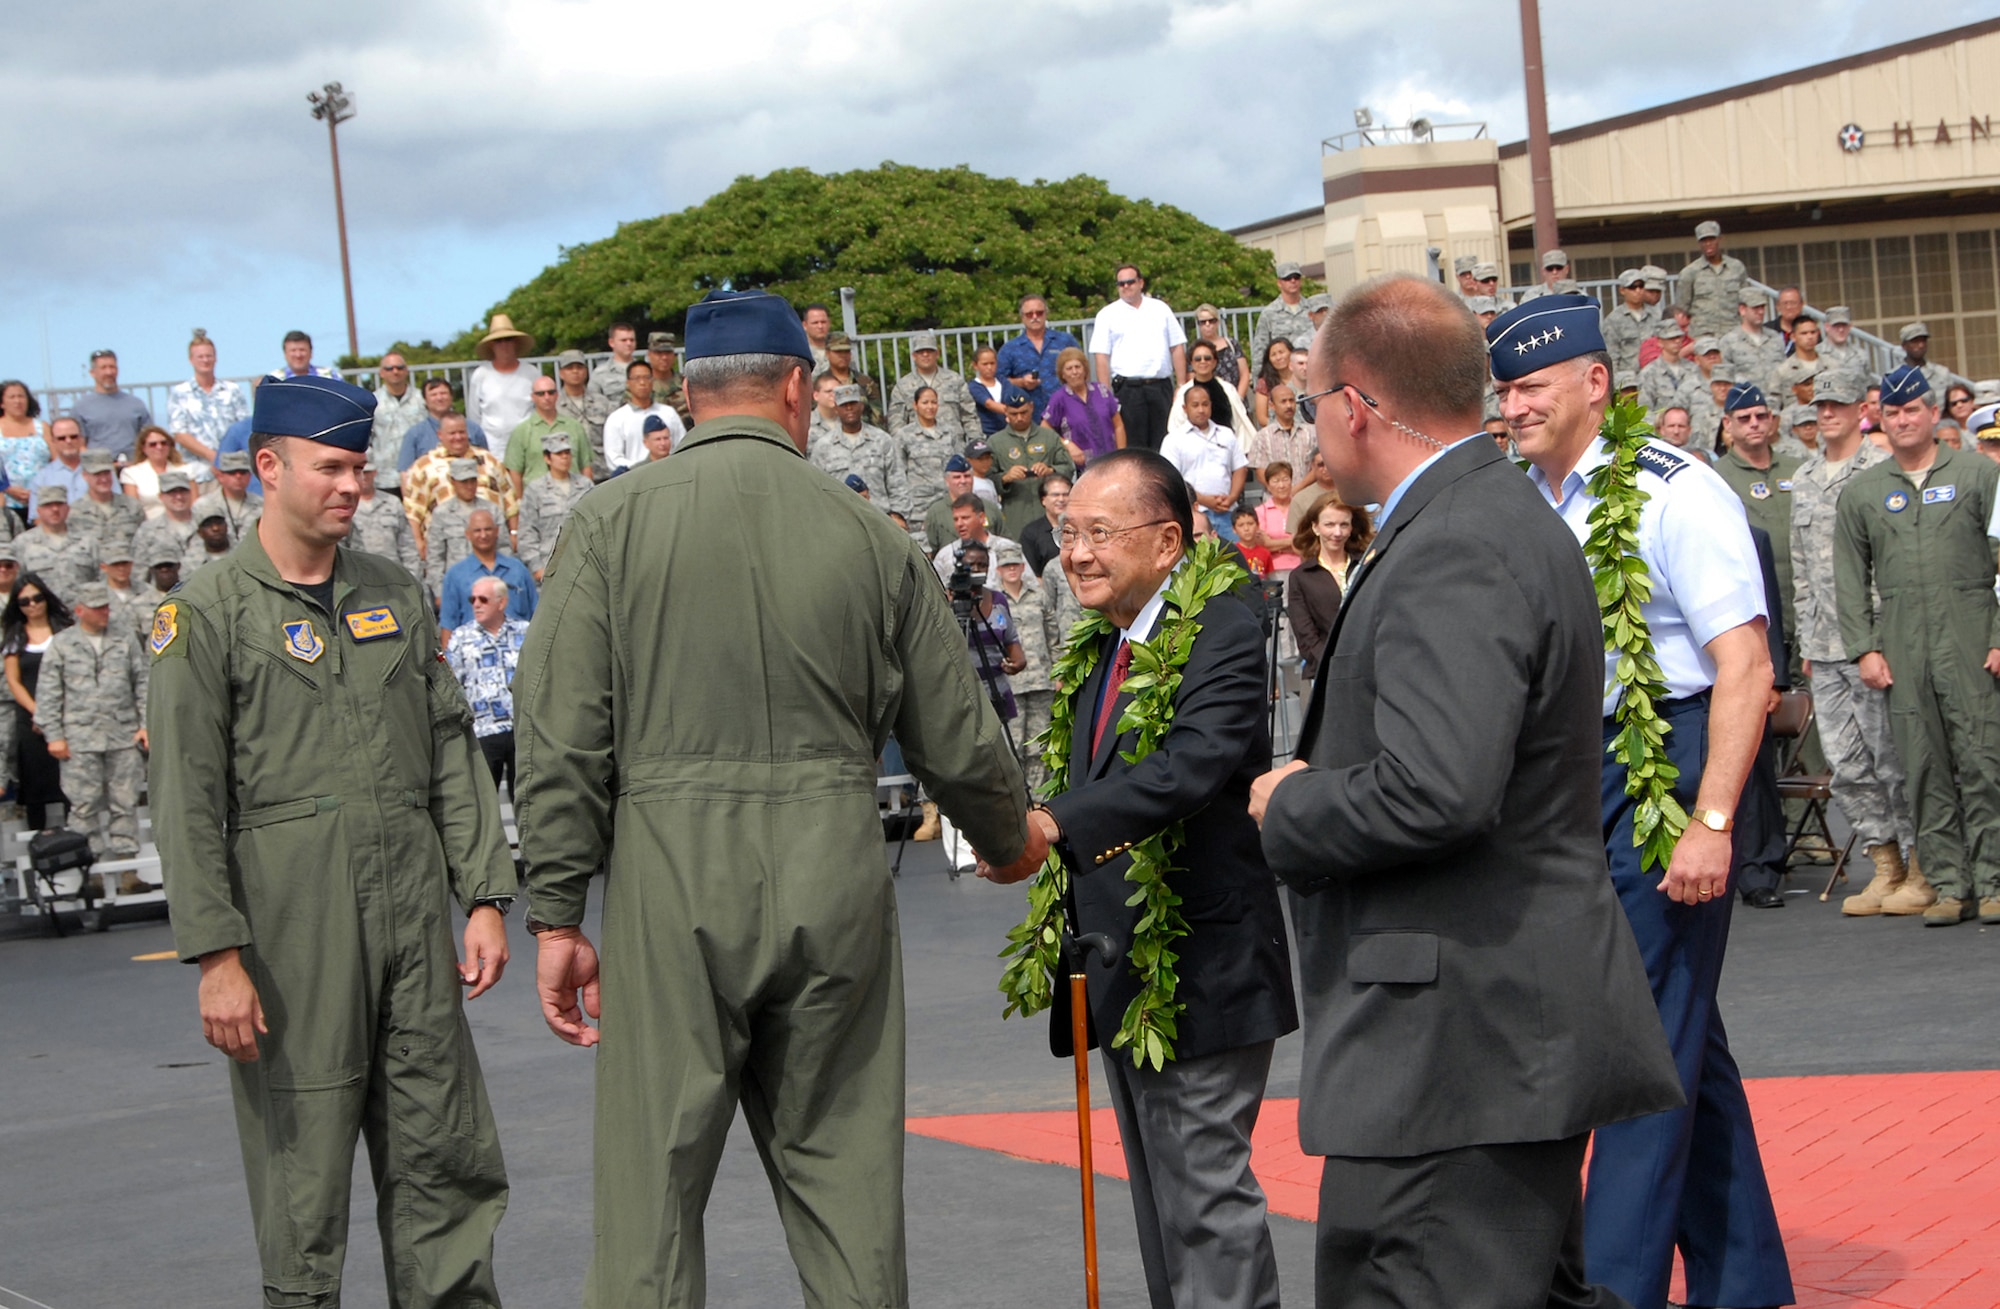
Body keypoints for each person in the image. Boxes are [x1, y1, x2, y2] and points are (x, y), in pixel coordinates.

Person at [513, 289, 1037, 1306]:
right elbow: (957, 724)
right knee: (845, 1194)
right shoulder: (868, 532)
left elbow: (561, 731)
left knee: (649, 1206)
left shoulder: (609, 522)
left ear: (684, 395)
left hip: (671, 874)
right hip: (831, 866)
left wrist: (556, 911)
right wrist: (1007, 834)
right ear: (798, 387)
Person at [1251, 274, 1683, 1309]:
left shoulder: (1453, 541)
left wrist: (1289, 805)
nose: (1312, 430)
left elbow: (1437, 790)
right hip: (1482, 1034)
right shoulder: (1482, 514)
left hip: (1455, 1045)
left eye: (1311, 404)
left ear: (1354, 404)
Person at [149, 372, 513, 1307]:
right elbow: (185, 799)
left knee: (445, 1159)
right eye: (331, 468)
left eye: (359, 467)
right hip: (292, 936)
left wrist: (481, 896)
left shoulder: (394, 590)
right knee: (303, 1183)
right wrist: (217, 956)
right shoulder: (207, 615)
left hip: (413, 933)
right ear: (268, 468)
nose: (353, 485)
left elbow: (448, 751)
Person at [1494, 293, 1793, 1309]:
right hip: (1579, 773)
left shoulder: (1675, 492)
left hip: (1667, 763)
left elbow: (1743, 667)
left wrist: (1710, 821)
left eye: (1529, 385)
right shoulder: (1528, 497)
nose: (1512, 404)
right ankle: (1742, 1280)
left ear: (1592, 382)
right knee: (1675, 1034)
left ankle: (1611, 1288)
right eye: (1502, 388)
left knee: (1634, 1048)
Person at [982, 446, 1297, 1309]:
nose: (1076, 551)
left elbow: (1194, 765)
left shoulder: (1223, 623)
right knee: (1167, 1203)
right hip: (1124, 965)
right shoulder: (1107, 641)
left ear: (1167, 542)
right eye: (1067, 531)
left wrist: (1052, 825)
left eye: (1098, 533)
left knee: (1205, 1201)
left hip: (1201, 965)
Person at [1836, 365, 2000, 926]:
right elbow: (1849, 576)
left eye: (1913, 410)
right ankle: (1951, 886)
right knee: (1923, 769)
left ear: (1934, 414)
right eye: (1892, 413)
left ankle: (1994, 880)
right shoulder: (1863, 492)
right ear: (1880, 420)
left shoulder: (1982, 475)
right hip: (1903, 644)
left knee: (1983, 761)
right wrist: (1864, 648)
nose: (1903, 420)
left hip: (1972, 634)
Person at [1789, 372, 1916, 914]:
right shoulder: (1807, 476)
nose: (1826, 413)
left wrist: (1882, 639)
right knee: (1847, 764)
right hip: (1825, 643)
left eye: (1837, 404)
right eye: (1820, 405)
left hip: (1872, 638)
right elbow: (1800, 569)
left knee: (1892, 758)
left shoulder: (1880, 471)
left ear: (1859, 410)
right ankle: (1883, 862)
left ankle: (1920, 863)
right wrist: (1805, 641)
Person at [33, 580, 148, 871]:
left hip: (122, 735)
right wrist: (54, 736)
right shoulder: (62, 644)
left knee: (125, 802)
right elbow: (48, 693)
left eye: (106, 606)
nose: (104, 613)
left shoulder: (124, 639)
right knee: (84, 806)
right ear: (80, 611)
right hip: (79, 739)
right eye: (97, 608)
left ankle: (127, 870)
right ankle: (88, 870)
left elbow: (144, 683)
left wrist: (146, 724)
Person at [1712, 382, 1800, 672]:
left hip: (1805, 611)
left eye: (1761, 416)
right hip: (1756, 616)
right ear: (1728, 423)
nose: (1754, 424)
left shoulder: (1798, 469)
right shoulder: (1715, 477)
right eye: (1744, 418)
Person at [445, 575, 530, 795]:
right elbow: (452, 685)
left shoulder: (525, 632)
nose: (476, 605)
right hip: (483, 731)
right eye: (472, 599)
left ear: (501, 602)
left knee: (526, 798)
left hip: (522, 729)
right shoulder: (461, 638)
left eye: (483, 599)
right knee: (484, 801)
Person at [4, 574, 74, 831]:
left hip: (68, 713)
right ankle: (39, 841)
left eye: (37, 598)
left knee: (69, 783)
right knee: (35, 783)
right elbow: (14, 681)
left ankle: (74, 839)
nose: (32, 605)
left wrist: (57, 714)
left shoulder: (65, 631)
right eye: (24, 601)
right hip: (30, 717)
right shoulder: (15, 637)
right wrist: (40, 714)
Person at [1091, 264, 1185, 452]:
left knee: (1166, 444)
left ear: (1141, 283)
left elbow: (1177, 347)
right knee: (1135, 448)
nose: (1126, 287)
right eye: (1121, 283)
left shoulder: (1161, 309)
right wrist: (1105, 393)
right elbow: (1101, 357)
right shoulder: (1107, 315)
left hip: (1160, 387)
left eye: (1130, 282)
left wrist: (1182, 386)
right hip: (1128, 391)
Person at [991, 541, 1054, 789]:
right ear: (998, 569)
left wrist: (1058, 671)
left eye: (1015, 564)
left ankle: (1038, 799)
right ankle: (1018, 799)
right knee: (1013, 747)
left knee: (1039, 746)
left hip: (1041, 680)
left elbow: (1053, 636)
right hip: (1011, 684)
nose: (1012, 570)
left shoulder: (1039, 596)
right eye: (1006, 566)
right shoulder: (993, 600)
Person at [1285, 494, 1366, 679]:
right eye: (1329, 525)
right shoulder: (1301, 576)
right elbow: (1305, 634)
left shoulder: (1366, 566)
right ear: (1315, 527)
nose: (1337, 533)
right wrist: (1333, 664)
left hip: (1366, 667)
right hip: (1323, 672)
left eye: (1344, 525)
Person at [403, 413, 516, 542]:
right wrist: (418, 542)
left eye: (462, 432)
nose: (458, 437)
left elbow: (510, 500)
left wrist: (514, 533)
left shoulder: (489, 460)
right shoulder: (423, 466)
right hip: (448, 543)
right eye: (452, 433)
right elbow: (413, 511)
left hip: (492, 539)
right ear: (440, 435)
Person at [1160, 387, 1247, 541]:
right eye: (1195, 405)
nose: (1201, 410)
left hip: (1227, 513)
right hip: (1194, 515)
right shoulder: (1174, 439)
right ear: (1185, 408)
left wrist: (1232, 497)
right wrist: (1203, 499)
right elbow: (1171, 480)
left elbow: (1240, 467)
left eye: (1205, 404)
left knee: (1232, 561)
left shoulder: (1226, 434)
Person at [440, 508, 537, 642]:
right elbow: (448, 625)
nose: (483, 535)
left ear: (497, 531)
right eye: (477, 531)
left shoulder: (517, 569)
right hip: (472, 656)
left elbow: (537, 615)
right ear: (467, 534)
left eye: (488, 529)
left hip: (519, 653)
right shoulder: (455, 575)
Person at [991, 387, 1076, 538]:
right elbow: (986, 479)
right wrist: (1005, 478)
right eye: (1014, 414)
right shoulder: (996, 442)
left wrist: (1050, 471)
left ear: (1031, 407)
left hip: (1050, 515)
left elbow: (1068, 468)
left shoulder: (1049, 437)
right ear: (1005, 412)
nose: (1019, 418)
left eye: (1023, 412)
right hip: (1015, 515)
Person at [514, 431, 591, 581]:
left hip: (583, 564)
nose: (564, 457)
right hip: (548, 565)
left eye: (567, 452)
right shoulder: (535, 490)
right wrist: (536, 567)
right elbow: (526, 532)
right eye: (559, 453)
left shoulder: (585, 485)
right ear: (547, 458)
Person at [810, 384, 902, 508]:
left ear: (861, 406)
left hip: (880, 517)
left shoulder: (882, 440)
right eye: (844, 405)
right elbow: (817, 489)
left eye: (853, 404)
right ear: (836, 409)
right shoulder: (823, 446)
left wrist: (898, 516)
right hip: (843, 519)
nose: (849, 409)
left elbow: (897, 484)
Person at [166, 329, 249, 466]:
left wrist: (227, 458)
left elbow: (243, 427)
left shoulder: (233, 390)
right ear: (191, 360)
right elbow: (180, 434)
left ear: (215, 358)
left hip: (234, 470)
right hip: (198, 472)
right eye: (200, 357)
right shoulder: (179, 393)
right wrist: (212, 456)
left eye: (209, 356)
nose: (205, 360)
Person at [997, 294, 1082, 424]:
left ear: (1046, 314)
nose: (1035, 317)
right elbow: (997, 381)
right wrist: (1021, 382)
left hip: (1067, 411)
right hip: (1030, 417)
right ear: (1022, 318)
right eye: (1029, 314)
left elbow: (1082, 370)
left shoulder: (1065, 341)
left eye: (1039, 313)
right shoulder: (1010, 349)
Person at [423, 459, 499, 603]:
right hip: (456, 588)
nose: (469, 486)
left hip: (489, 586)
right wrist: (439, 592)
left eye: (473, 481)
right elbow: (435, 558)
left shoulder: (492, 510)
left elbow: (503, 549)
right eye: (464, 482)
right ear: (453, 482)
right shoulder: (442, 514)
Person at [464, 315, 539, 461]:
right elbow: (474, 414)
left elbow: (540, 407)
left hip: (527, 443)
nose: (504, 345)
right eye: (498, 341)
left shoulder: (531, 372)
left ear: (515, 343)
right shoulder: (481, 375)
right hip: (493, 447)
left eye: (508, 340)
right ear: (492, 345)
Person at [503, 370, 587, 496]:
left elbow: (585, 466)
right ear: (533, 397)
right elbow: (515, 472)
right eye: (541, 394)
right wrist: (521, 503)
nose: (547, 397)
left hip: (573, 497)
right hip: (537, 501)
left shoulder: (574, 427)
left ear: (557, 395)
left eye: (551, 392)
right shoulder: (522, 431)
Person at [1040, 344, 1124, 470]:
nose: (1074, 372)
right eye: (1069, 369)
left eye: (1078, 367)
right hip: (1082, 466)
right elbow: (1044, 429)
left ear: (1085, 369)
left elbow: (1118, 425)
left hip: (1110, 461)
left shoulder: (1101, 391)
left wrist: (1121, 456)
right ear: (1062, 374)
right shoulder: (1059, 398)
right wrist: (1067, 445)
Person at [341, 455, 423, 580]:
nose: (364, 477)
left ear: (375, 472)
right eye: (359, 472)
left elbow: (408, 547)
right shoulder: (345, 506)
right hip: (361, 579)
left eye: (367, 472)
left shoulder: (392, 503)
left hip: (394, 577)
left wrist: (411, 579)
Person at [892, 385, 963, 523]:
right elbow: (898, 473)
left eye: (934, 402)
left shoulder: (950, 432)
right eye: (925, 402)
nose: (930, 407)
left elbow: (960, 466)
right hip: (919, 508)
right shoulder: (904, 435)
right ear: (915, 405)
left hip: (948, 503)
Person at [13, 486, 100, 599]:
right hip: (43, 613)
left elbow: (101, 579)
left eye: (59, 504)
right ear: (38, 511)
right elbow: (16, 584)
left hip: (82, 612)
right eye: (48, 505)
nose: (55, 509)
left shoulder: (88, 541)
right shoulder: (22, 543)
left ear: (68, 508)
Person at [601, 360, 684, 473]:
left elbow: (681, 445)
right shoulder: (617, 418)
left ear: (653, 380)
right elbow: (613, 458)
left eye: (646, 377)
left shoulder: (668, 413)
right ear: (628, 383)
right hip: (633, 477)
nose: (642, 382)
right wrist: (642, 469)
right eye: (636, 378)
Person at [69, 349, 154, 460]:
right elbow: (79, 445)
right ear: (92, 373)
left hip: (133, 466)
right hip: (99, 469)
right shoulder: (81, 407)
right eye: (103, 368)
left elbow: (150, 438)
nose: (109, 372)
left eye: (112, 367)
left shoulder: (136, 404)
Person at [397, 378, 493, 472]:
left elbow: (486, 462)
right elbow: (406, 473)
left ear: (451, 397)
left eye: (443, 393)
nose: (439, 398)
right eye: (433, 395)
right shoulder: (415, 434)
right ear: (425, 400)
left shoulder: (473, 428)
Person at [887, 331, 976, 433]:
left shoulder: (955, 380)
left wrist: (975, 441)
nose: (925, 354)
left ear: (937, 354)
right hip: (918, 446)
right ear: (914, 356)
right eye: (921, 351)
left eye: (930, 351)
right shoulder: (903, 386)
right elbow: (896, 422)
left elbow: (970, 416)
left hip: (953, 444)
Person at [1678, 219, 1751, 341]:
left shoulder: (1736, 267)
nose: (1708, 244)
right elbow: (1682, 308)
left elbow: (1746, 301)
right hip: (1702, 336)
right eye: (1703, 241)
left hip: (1733, 333)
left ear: (1719, 239)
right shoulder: (1689, 272)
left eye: (1711, 239)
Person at [931, 492, 1020, 583]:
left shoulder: (1008, 548)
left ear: (981, 517)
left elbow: (1029, 584)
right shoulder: (945, 555)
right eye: (956, 519)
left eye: (965, 518)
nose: (959, 524)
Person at [1244, 383, 1315, 494]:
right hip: (1274, 499)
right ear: (1272, 405)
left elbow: (1317, 468)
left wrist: (1297, 490)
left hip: (1307, 497)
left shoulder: (1311, 433)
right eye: (1283, 401)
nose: (1288, 406)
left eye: (1291, 401)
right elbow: (1260, 472)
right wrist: (1280, 491)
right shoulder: (1262, 437)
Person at [70, 448, 145, 553]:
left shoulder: (132, 507)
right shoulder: (74, 513)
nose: (104, 479)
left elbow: (145, 545)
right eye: (97, 474)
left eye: (106, 473)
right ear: (85, 476)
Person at [922, 457, 1002, 555]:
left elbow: (1004, 539)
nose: (963, 481)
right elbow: (929, 551)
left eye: (967, 476)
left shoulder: (989, 508)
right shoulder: (936, 512)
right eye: (957, 477)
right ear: (947, 481)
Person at [584, 322, 641, 457]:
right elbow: (592, 407)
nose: (629, 343)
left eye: (632, 340)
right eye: (623, 340)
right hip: (614, 433)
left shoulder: (645, 369)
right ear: (611, 342)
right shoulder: (600, 374)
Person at [366, 351, 425, 479]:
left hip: (420, 474)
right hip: (384, 476)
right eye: (389, 368)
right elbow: (367, 439)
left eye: (400, 367)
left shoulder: (422, 399)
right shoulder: (372, 401)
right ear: (381, 373)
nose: (395, 371)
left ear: (406, 371)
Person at [1248, 259, 1314, 370]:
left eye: (1296, 277)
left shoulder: (1312, 310)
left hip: (1308, 371)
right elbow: (1260, 352)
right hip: (1281, 376)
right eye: (1288, 278)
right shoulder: (1269, 313)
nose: (1293, 281)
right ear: (1279, 283)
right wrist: (1259, 382)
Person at [0, 380, 50, 523]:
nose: (17, 401)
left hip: (42, 501)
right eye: (12, 397)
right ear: (2, 403)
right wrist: (8, 489)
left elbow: (57, 461)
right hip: (7, 502)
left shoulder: (42, 427)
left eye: (21, 396)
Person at [1721, 288, 1786, 397]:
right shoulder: (1729, 342)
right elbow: (1725, 378)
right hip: (1747, 404)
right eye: (1755, 308)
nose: (1761, 312)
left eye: (1762, 307)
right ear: (1742, 310)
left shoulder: (1775, 338)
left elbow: (1784, 372)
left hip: (1776, 402)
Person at [815, 333, 885, 427]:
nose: (843, 355)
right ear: (827, 353)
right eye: (838, 352)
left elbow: (877, 415)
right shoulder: (819, 383)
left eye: (846, 351)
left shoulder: (865, 382)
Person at [192, 450, 262, 542]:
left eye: (243, 472)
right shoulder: (202, 506)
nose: (238, 476)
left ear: (249, 476)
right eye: (232, 472)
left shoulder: (262, 505)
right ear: (220, 476)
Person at [29, 416, 88, 519]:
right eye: (62, 438)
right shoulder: (42, 478)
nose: (68, 441)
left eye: (73, 436)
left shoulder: (101, 472)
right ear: (53, 442)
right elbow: (36, 518)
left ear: (81, 439)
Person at [1602, 269, 1656, 378]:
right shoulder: (1614, 320)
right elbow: (1612, 355)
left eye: (1641, 286)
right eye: (1632, 287)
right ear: (1622, 290)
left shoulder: (1656, 315)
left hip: (1655, 376)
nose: (1638, 290)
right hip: (1629, 379)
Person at [1018, 473, 1068, 577]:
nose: (1061, 499)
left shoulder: (1082, 528)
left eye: (1066, 494)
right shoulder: (1031, 533)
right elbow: (1032, 574)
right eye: (1055, 495)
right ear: (1043, 500)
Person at [1253, 463, 1301, 571]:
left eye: (1285, 479)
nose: (1281, 485)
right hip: (1271, 568)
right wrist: (1293, 542)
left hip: (1301, 566)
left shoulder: (1301, 508)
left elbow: (1305, 543)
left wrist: (1273, 544)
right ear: (1268, 486)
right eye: (1276, 481)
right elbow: (1263, 545)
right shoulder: (1260, 511)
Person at [645, 331, 692, 428]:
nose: (664, 357)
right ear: (649, 355)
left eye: (668, 352)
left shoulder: (687, 383)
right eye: (658, 353)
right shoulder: (641, 386)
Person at [1898, 322, 1955, 400]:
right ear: (1904, 346)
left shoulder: (1942, 373)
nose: (1921, 345)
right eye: (1915, 341)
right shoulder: (1893, 376)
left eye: (1923, 340)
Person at [264, 329, 340, 380]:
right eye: (293, 351)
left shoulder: (329, 376)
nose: (298, 355)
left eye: (302, 350)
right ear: (285, 354)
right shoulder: (274, 380)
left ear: (311, 353)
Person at [181, 509, 236, 575]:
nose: (215, 528)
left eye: (219, 523)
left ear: (227, 526)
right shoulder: (191, 563)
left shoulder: (243, 551)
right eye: (208, 525)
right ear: (200, 532)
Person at [800, 303, 833, 370]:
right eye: (815, 323)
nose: (820, 326)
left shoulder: (840, 349)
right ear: (804, 325)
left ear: (829, 323)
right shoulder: (799, 352)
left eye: (823, 322)